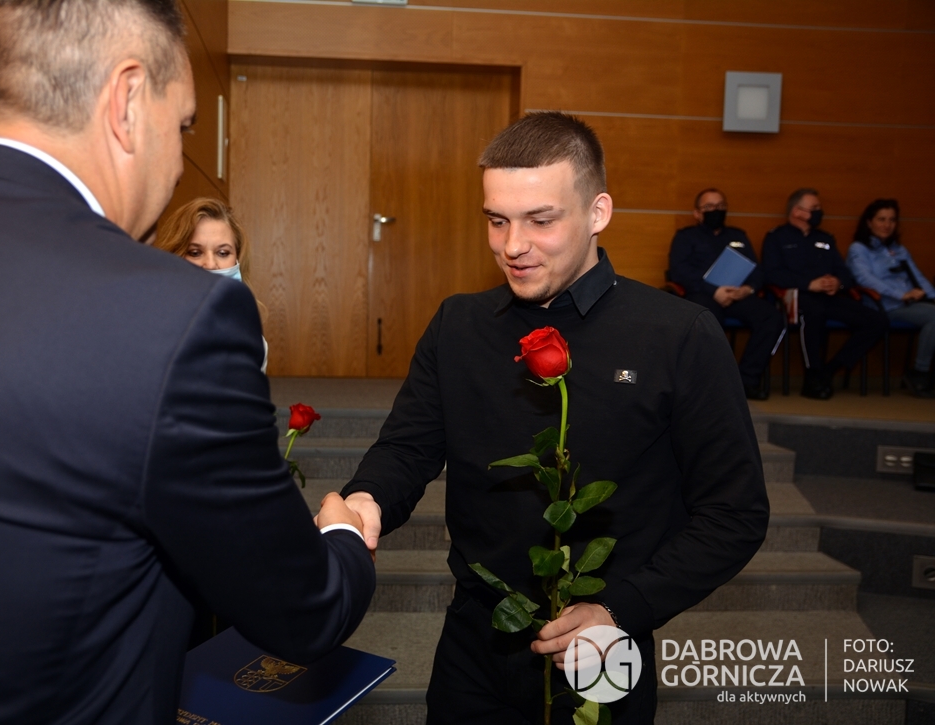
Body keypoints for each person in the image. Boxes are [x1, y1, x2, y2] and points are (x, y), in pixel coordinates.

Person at [0, 1, 374, 723]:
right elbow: (303, 610)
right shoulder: (177, 318)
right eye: (182, 125)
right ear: (126, 102)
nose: (178, 161)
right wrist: (342, 535)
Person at [340, 112, 769, 724]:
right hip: (474, 642)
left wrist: (621, 609)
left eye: (540, 220)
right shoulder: (458, 325)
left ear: (598, 212)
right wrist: (367, 498)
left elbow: (734, 514)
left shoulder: (678, 336)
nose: (512, 245)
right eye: (497, 220)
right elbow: (407, 448)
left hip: (603, 645)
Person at [761, 189, 887, 400]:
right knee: (814, 312)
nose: (820, 212)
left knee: (877, 321)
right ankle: (812, 377)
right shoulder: (776, 237)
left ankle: (829, 371)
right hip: (797, 297)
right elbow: (771, 273)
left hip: (829, 297)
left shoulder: (825, 239)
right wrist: (809, 284)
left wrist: (837, 283)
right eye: (815, 208)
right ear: (797, 211)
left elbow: (845, 273)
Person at [668, 188, 785, 400]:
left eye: (721, 206)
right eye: (710, 207)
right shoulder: (686, 237)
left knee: (771, 318)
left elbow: (757, 270)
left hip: (738, 295)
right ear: (697, 213)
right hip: (703, 294)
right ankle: (712, 384)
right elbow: (678, 271)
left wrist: (748, 289)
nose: (716, 210)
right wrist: (714, 290)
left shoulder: (738, 236)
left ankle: (746, 380)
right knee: (706, 318)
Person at [154, 197, 270, 370]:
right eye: (195, 253)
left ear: (237, 259)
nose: (209, 264)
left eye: (222, 253)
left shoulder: (253, 343)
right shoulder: (150, 330)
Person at [846, 199, 935, 397]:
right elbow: (865, 279)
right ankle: (920, 373)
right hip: (883, 306)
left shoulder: (899, 250)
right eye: (881, 219)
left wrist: (931, 294)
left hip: (910, 304)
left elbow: (918, 277)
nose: (887, 225)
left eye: (892, 220)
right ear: (869, 222)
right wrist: (901, 294)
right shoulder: (859, 249)